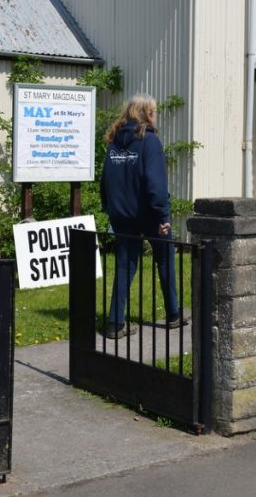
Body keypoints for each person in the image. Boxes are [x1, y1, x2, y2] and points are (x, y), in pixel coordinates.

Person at [99, 93, 184, 339]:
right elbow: (155, 184)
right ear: (145, 113)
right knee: (166, 258)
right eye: (153, 111)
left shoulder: (113, 142)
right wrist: (163, 215)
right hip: (148, 214)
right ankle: (173, 314)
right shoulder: (149, 141)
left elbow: (105, 181)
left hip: (121, 215)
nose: (156, 116)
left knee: (125, 264)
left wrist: (110, 209)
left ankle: (115, 323)